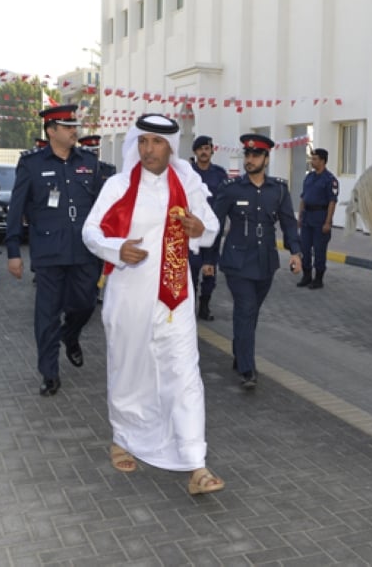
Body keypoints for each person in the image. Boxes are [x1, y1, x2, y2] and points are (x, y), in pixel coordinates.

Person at [83, 113, 224, 495]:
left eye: (157, 142)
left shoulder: (189, 183)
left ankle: (196, 462)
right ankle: (124, 437)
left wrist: (200, 229)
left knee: (183, 372)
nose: (149, 150)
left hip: (175, 297)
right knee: (131, 369)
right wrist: (116, 248)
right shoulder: (117, 185)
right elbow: (90, 231)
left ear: (171, 146)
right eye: (142, 142)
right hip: (129, 294)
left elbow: (209, 225)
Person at [6, 105, 104, 396]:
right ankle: (49, 373)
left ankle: (70, 335)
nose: (75, 130)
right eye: (68, 126)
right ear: (51, 130)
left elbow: (102, 206)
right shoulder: (31, 164)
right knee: (47, 314)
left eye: (75, 125)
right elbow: (17, 208)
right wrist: (13, 250)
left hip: (85, 250)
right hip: (49, 252)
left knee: (85, 304)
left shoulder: (89, 162)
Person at [214, 134, 302, 389]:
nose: (249, 159)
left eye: (255, 155)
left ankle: (239, 351)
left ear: (266, 158)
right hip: (237, 263)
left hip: (265, 263)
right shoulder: (231, 189)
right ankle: (247, 369)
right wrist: (209, 259)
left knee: (251, 314)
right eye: (247, 155)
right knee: (246, 309)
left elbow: (288, 224)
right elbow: (215, 225)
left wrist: (295, 253)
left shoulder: (279, 190)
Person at [189, 135, 228, 319]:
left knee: (210, 268)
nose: (204, 152)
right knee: (192, 268)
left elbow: (227, 199)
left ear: (212, 151)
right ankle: (189, 307)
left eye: (207, 148)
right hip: (191, 229)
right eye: (200, 149)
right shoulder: (188, 172)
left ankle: (205, 305)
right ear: (195, 152)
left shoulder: (220, 174)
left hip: (212, 230)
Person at [297, 148, 338, 289]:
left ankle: (318, 279)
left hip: (320, 217)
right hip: (307, 217)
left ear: (322, 161)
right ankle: (306, 275)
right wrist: (300, 216)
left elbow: (332, 202)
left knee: (319, 250)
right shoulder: (309, 177)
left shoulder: (330, 180)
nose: (312, 161)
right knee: (304, 248)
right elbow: (303, 198)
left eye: (314, 159)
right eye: (311, 158)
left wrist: (328, 222)